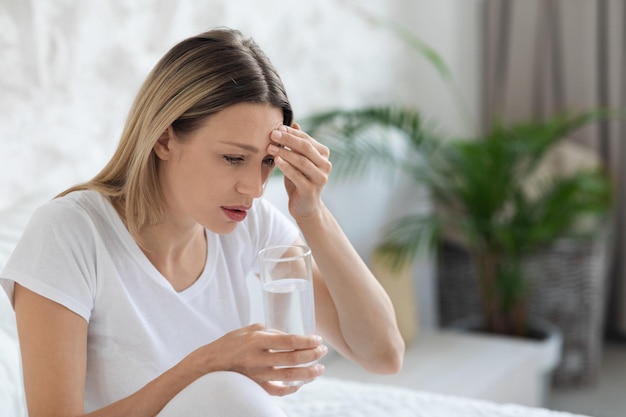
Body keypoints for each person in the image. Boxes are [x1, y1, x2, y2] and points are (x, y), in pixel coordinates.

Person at [0, 27, 405, 417]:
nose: (255, 188)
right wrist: (208, 364)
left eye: (267, 162)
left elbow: (383, 354)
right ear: (164, 138)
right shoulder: (69, 232)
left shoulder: (252, 224)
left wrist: (312, 212)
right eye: (233, 158)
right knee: (223, 389)